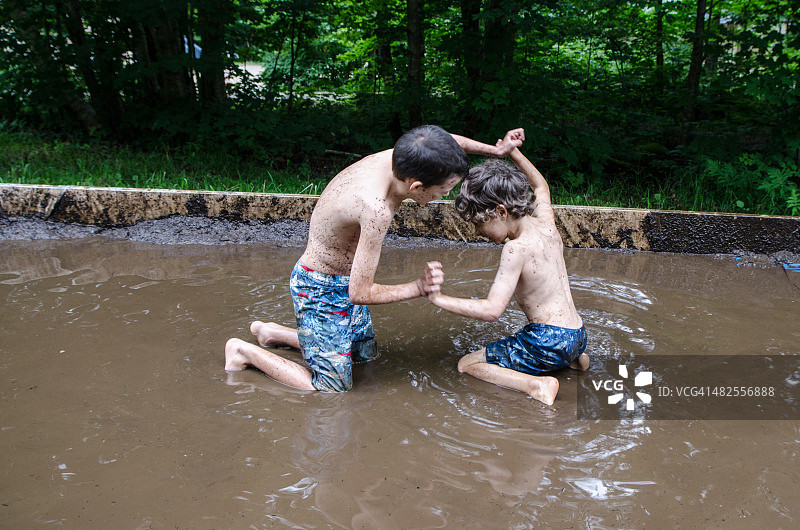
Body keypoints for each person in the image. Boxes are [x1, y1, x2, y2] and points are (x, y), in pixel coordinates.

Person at [225, 125, 526, 392]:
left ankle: (271, 333)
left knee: (364, 355)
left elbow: (448, 141)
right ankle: (244, 352)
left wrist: (496, 150)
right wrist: (418, 288)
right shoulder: (375, 209)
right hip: (319, 286)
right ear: (417, 187)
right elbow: (359, 293)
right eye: (443, 191)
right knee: (332, 386)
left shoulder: (403, 156)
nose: (445, 197)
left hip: (343, 275)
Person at [425, 146, 589, 406]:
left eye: (479, 223)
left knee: (467, 364)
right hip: (578, 335)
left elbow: (492, 310)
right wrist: (514, 152)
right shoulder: (546, 222)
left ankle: (536, 385)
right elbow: (541, 186)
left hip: (548, 342)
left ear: (501, 212)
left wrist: (438, 298)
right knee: (561, 347)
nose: (478, 232)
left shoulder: (516, 249)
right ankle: (575, 358)